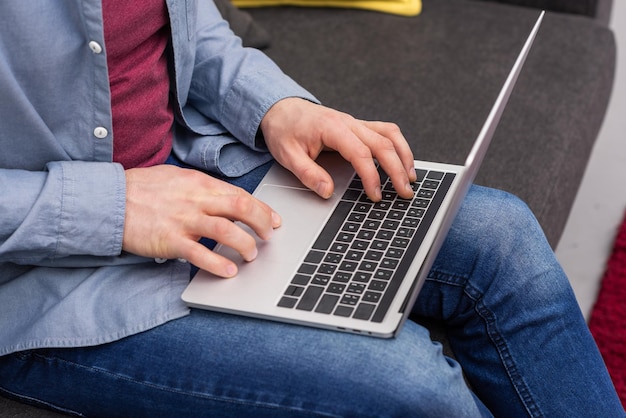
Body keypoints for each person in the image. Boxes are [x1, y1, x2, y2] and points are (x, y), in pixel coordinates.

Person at [0, 1, 623, 417]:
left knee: (505, 239)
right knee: (416, 390)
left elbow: (189, 26)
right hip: (51, 277)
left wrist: (275, 107)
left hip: (198, 168)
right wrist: (116, 206)